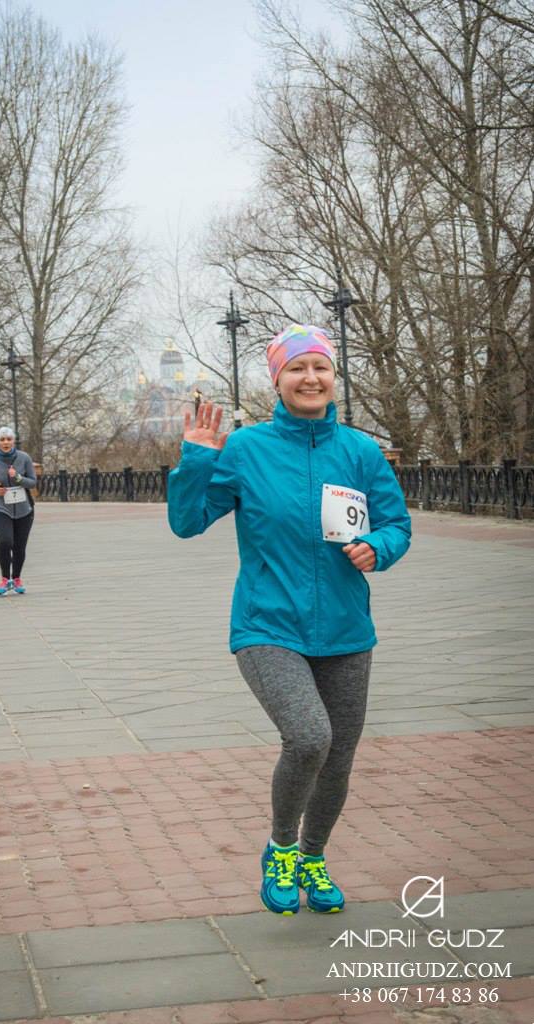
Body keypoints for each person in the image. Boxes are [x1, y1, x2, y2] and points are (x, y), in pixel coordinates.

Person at [167, 324, 411, 916]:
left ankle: (313, 856)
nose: (310, 378)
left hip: (347, 631)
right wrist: (197, 457)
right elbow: (187, 522)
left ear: (334, 378)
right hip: (267, 625)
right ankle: (280, 848)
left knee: (339, 757)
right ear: (277, 380)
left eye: (320, 367)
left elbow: (396, 524)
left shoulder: (360, 452)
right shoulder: (247, 449)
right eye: (297, 368)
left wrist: (379, 547)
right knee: (309, 738)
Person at [0, 427, 36, 596]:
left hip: (24, 509)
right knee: (5, 542)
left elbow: (33, 482)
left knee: (19, 546)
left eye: (9, 439)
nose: (6, 443)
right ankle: (5, 579)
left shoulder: (24, 458)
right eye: (2, 440)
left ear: (13, 441)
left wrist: (18, 478)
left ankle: (16, 578)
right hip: (1, 508)